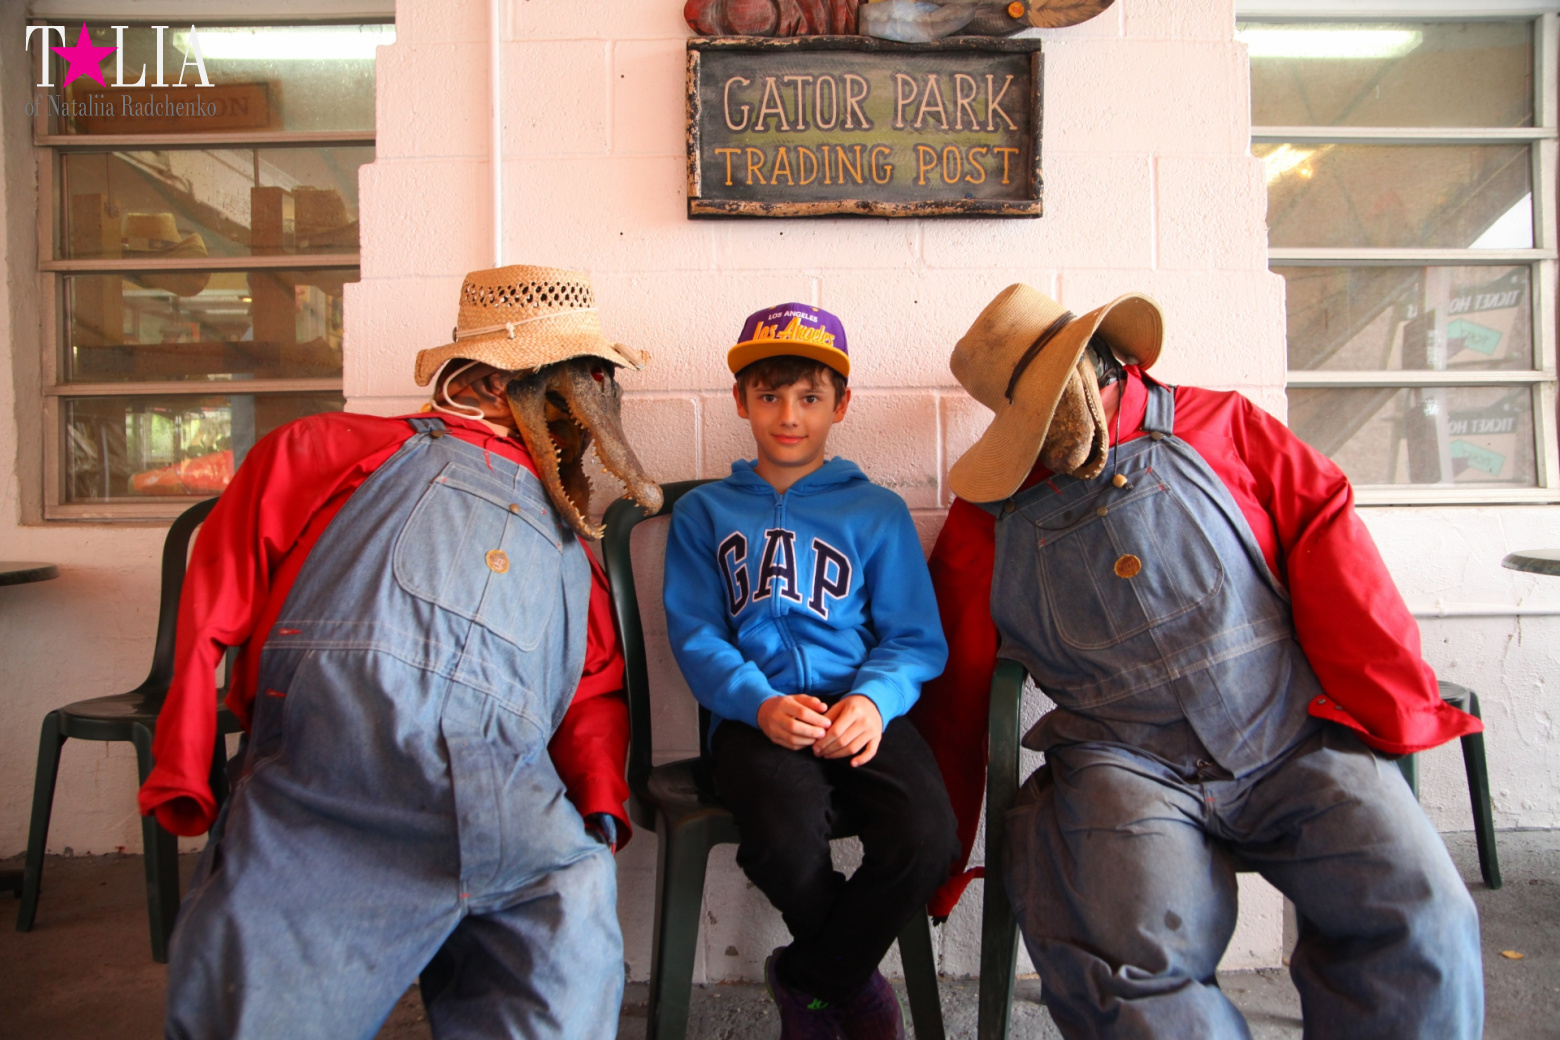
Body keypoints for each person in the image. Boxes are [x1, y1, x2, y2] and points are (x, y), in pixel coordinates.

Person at [915, 283, 1485, 1039]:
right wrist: (947, 851)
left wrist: (1390, 705)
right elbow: (956, 686)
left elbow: (1331, 543)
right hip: (1125, 762)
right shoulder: (986, 519)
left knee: (1420, 914)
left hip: (1290, 731)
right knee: (1127, 960)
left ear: (1109, 361)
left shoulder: (1223, 423)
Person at [139, 265, 663, 1040]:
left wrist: (596, 809)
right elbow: (212, 596)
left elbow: (593, 686)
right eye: (557, 402)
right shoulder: (325, 451)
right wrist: (183, 762)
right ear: (487, 384)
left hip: (517, 826)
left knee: (564, 967)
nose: (575, 430)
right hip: (332, 797)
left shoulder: (567, 545)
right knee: (254, 1006)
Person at [663, 304, 958, 1040]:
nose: (788, 416)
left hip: (861, 707)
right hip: (756, 716)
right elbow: (695, 634)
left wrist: (872, 700)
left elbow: (916, 639)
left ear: (840, 405)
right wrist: (758, 704)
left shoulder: (876, 511)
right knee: (785, 838)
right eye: (769, 396)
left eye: (809, 397)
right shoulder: (706, 513)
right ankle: (851, 988)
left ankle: (813, 978)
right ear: (741, 402)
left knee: (929, 835)